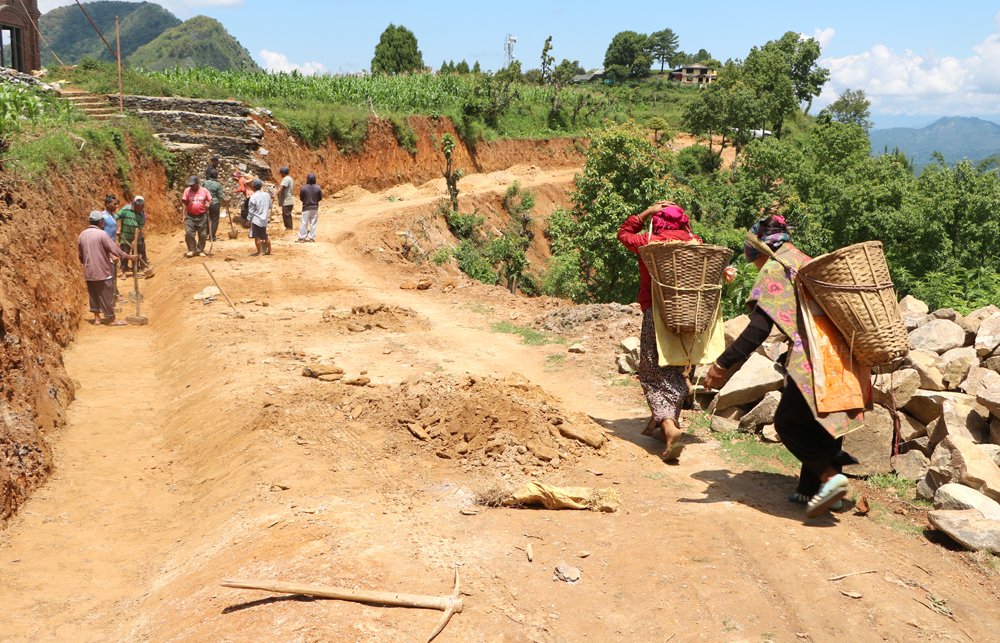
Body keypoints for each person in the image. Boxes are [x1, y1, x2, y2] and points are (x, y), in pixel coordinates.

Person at [703, 214, 869, 518]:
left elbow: (758, 329)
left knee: (788, 424)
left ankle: (831, 480)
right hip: (846, 356)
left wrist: (722, 364)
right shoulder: (804, 260)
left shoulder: (775, 268)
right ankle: (816, 491)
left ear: (757, 248)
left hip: (814, 358)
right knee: (821, 424)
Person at [618, 201, 734, 462]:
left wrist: (645, 211)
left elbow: (623, 234)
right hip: (691, 317)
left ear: (658, 221)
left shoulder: (648, 241)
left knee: (652, 372)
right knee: (678, 368)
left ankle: (669, 426)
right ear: (683, 221)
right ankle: (665, 426)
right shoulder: (695, 241)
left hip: (657, 316)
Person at [79, 211, 137, 326]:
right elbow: (114, 249)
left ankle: (97, 318)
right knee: (106, 294)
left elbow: (80, 255)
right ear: (100, 222)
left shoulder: (82, 235)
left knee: (93, 294)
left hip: (88, 271)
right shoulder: (102, 234)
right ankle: (111, 319)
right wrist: (128, 256)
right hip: (102, 270)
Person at [115, 195, 149, 273]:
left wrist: (135, 240)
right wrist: (115, 230)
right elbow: (115, 218)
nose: (140, 209)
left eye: (142, 207)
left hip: (137, 237)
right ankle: (124, 270)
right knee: (124, 253)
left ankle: (136, 269)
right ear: (134, 204)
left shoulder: (142, 214)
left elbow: (139, 229)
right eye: (139, 207)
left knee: (137, 253)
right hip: (125, 236)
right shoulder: (125, 209)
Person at [181, 175, 212, 257]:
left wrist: (208, 204)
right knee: (188, 233)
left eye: (193, 184)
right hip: (190, 216)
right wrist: (183, 215)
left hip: (202, 215)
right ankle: (191, 249)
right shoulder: (187, 191)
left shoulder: (204, 190)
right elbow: (184, 203)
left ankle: (200, 250)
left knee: (203, 234)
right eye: (190, 185)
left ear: (197, 183)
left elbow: (210, 199)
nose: (191, 186)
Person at [247, 178, 272, 256]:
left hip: (256, 220)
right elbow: (270, 206)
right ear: (261, 186)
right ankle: (269, 251)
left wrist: (248, 220)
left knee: (257, 237)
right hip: (264, 219)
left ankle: (259, 252)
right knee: (265, 236)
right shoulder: (267, 195)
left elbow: (251, 211)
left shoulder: (253, 197)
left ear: (253, 187)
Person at [296, 173, 322, 242]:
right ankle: (311, 238)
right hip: (315, 208)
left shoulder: (303, 187)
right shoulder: (318, 187)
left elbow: (301, 198)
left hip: (306, 208)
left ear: (307, 179)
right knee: (313, 223)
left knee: (304, 223)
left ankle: (302, 238)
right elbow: (320, 198)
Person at [203, 168, 225, 242]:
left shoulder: (205, 182)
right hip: (214, 203)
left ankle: (205, 234)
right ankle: (212, 236)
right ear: (216, 176)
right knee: (214, 220)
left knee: (206, 219)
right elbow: (221, 196)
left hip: (206, 203)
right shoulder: (218, 185)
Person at [277, 166, 295, 230]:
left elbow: (282, 187)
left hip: (287, 200)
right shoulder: (290, 178)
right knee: (287, 214)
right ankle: (289, 227)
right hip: (290, 200)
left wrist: (276, 194)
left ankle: (289, 228)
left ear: (283, 173)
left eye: (281, 173)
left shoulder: (286, 179)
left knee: (286, 214)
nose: (281, 175)